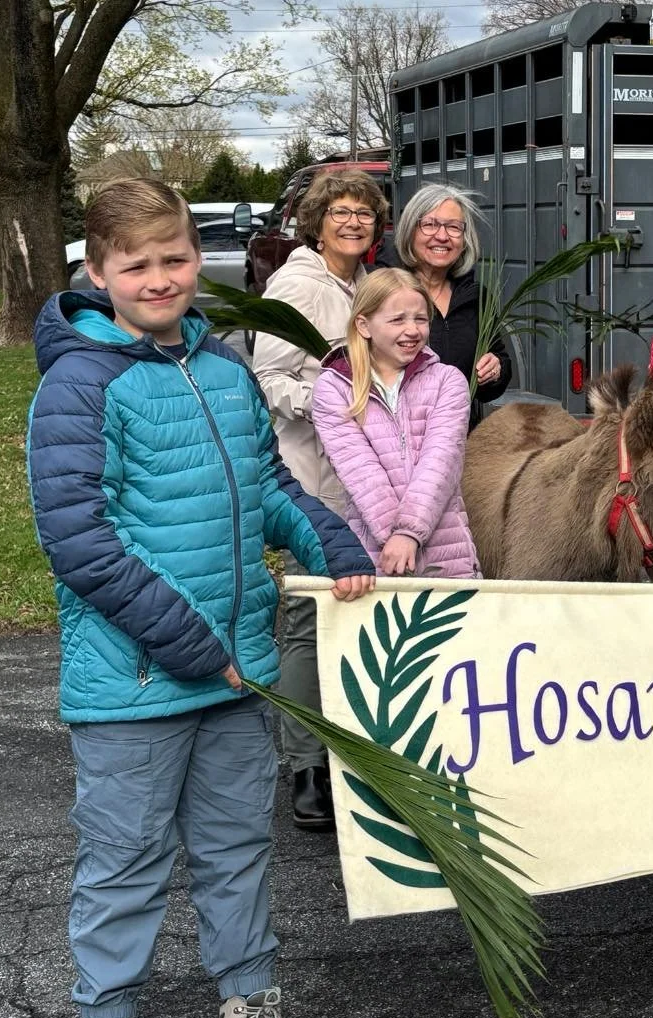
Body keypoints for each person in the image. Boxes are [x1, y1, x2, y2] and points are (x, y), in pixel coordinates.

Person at [26, 179, 376, 1018]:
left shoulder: (223, 367)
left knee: (236, 850)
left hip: (236, 677)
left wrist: (332, 544)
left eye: (174, 259)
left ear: (197, 258)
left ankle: (249, 997)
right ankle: (107, 1010)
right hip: (139, 686)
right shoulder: (79, 385)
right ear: (97, 273)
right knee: (125, 864)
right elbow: (80, 543)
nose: (159, 279)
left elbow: (268, 483)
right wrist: (189, 644)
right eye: (135, 265)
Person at [253, 168, 388, 832]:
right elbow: (267, 378)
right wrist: (333, 403)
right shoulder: (298, 285)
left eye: (364, 213)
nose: (353, 222)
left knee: (360, 613)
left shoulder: (369, 285)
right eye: (341, 212)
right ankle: (308, 766)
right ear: (317, 221)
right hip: (312, 478)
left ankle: (356, 753)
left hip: (369, 481)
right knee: (310, 619)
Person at [313, 268, 481, 579]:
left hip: (447, 556)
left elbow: (440, 462)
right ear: (364, 325)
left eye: (421, 319)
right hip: (374, 555)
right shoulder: (334, 388)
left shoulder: (447, 381)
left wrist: (409, 533)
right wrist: (398, 538)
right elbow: (360, 472)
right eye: (397, 320)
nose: (412, 330)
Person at [384, 182, 511, 424]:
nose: (442, 236)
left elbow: (498, 362)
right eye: (430, 224)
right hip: (397, 437)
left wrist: (495, 370)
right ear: (410, 231)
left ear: (464, 239)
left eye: (453, 227)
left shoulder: (476, 297)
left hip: (460, 436)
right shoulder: (386, 292)